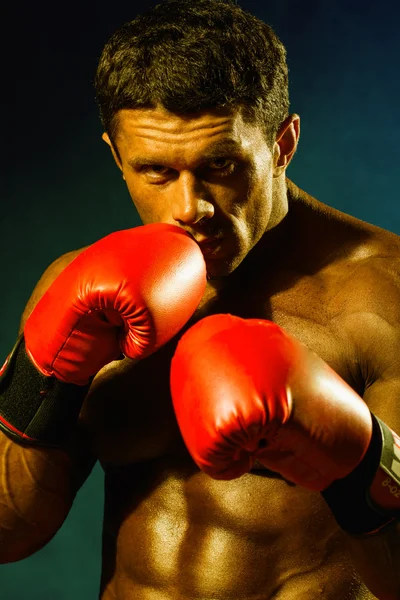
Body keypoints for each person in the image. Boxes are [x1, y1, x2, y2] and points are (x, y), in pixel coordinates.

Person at [0, 0, 399, 598]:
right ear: (116, 156)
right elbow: (9, 532)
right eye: (156, 171)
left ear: (283, 143)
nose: (191, 207)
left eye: (221, 164)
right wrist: (45, 377)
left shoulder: (382, 294)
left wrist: (356, 462)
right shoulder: (79, 287)